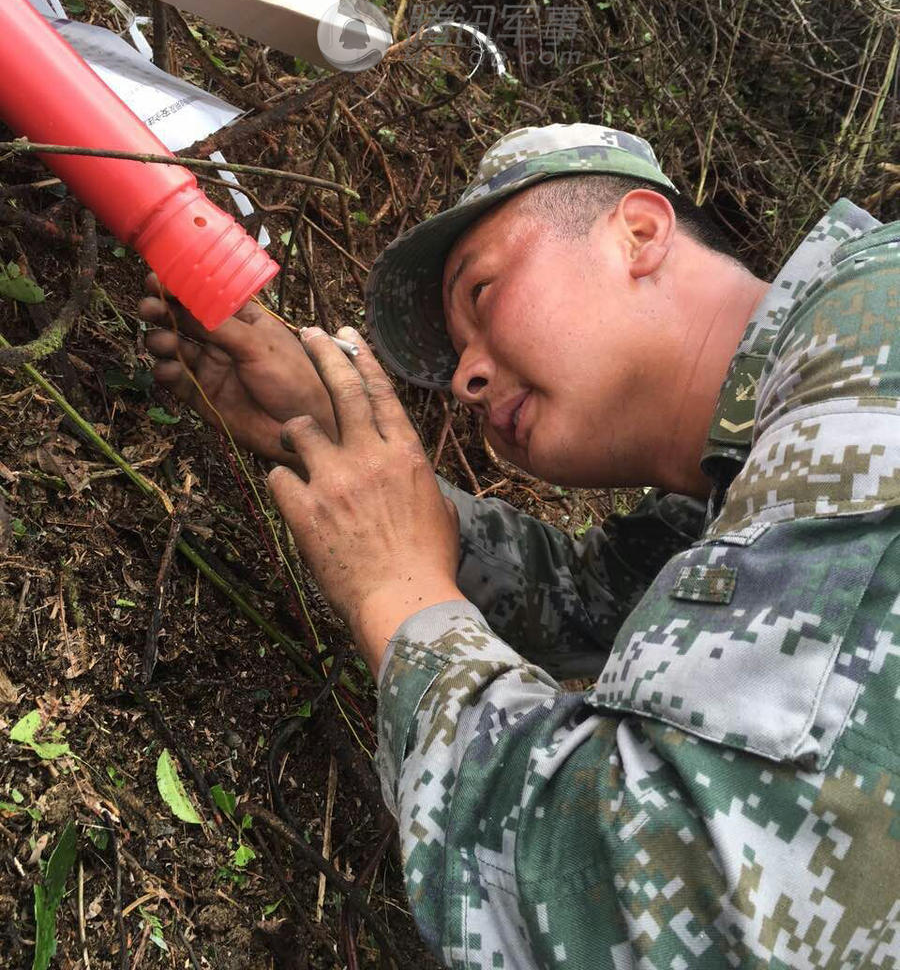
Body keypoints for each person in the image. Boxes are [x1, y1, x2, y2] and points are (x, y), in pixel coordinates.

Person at [140, 124, 900, 968]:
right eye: (459, 353)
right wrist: (323, 434)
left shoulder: (878, 336)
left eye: (485, 293)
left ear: (640, 233)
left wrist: (397, 600)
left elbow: (645, 903)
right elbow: (584, 595)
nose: (465, 379)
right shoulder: (753, 462)